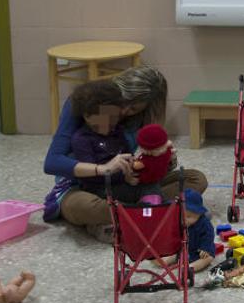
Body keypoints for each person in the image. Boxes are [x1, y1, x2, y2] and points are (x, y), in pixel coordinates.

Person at [43, 66, 208, 242]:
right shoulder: (87, 102)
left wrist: (163, 159)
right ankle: (155, 212)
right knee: (85, 206)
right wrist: (102, 168)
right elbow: (53, 162)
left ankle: (126, 217)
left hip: (125, 185)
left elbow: (143, 169)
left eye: (134, 108)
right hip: (82, 186)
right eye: (123, 102)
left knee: (195, 179)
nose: (124, 111)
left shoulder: (139, 119)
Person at [154, 189, 215, 273]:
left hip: (199, 251)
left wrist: (205, 248)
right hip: (182, 250)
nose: (184, 220)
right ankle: (162, 261)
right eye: (181, 215)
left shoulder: (204, 224)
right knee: (172, 255)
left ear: (199, 213)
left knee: (208, 258)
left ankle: (190, 268)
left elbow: (209, 236)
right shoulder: (178, 222)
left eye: (189, 217)